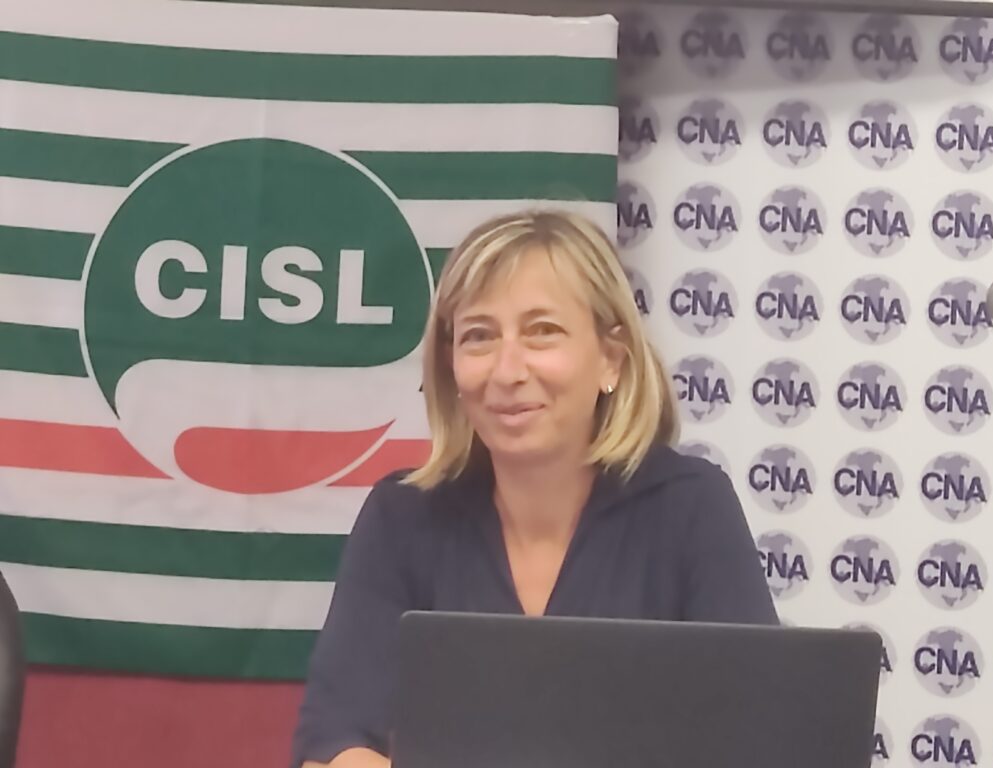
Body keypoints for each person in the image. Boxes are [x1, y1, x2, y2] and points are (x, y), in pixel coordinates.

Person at [291, 210, 777, 768]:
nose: (508, 371)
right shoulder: (401, 517)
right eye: (478, 337)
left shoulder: (692, 508)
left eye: (542, 331)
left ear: (611, 359)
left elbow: (757, 737)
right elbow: (336, 741)